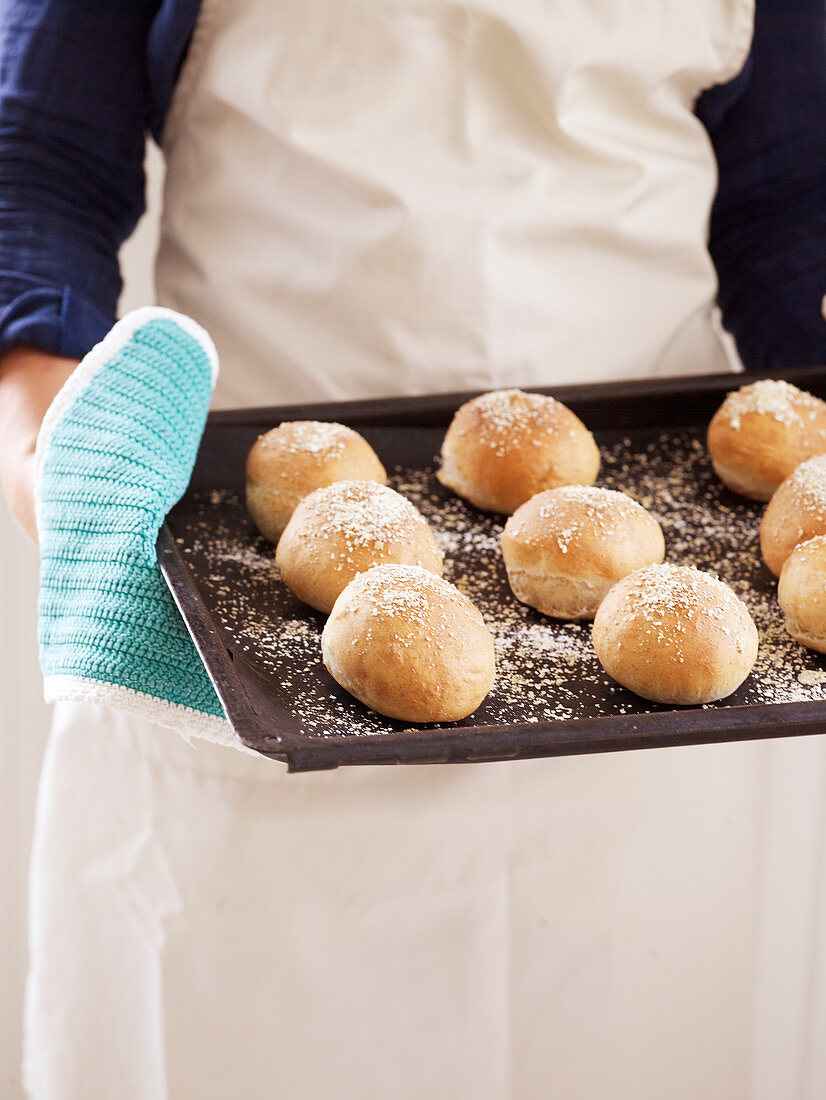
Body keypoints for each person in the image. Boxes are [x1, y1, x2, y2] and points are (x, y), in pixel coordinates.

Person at [1, 1, 826, 1097]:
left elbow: (787, 205)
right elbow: (40, 165)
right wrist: (60, 466)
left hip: (668, 676)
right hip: (244, 603)